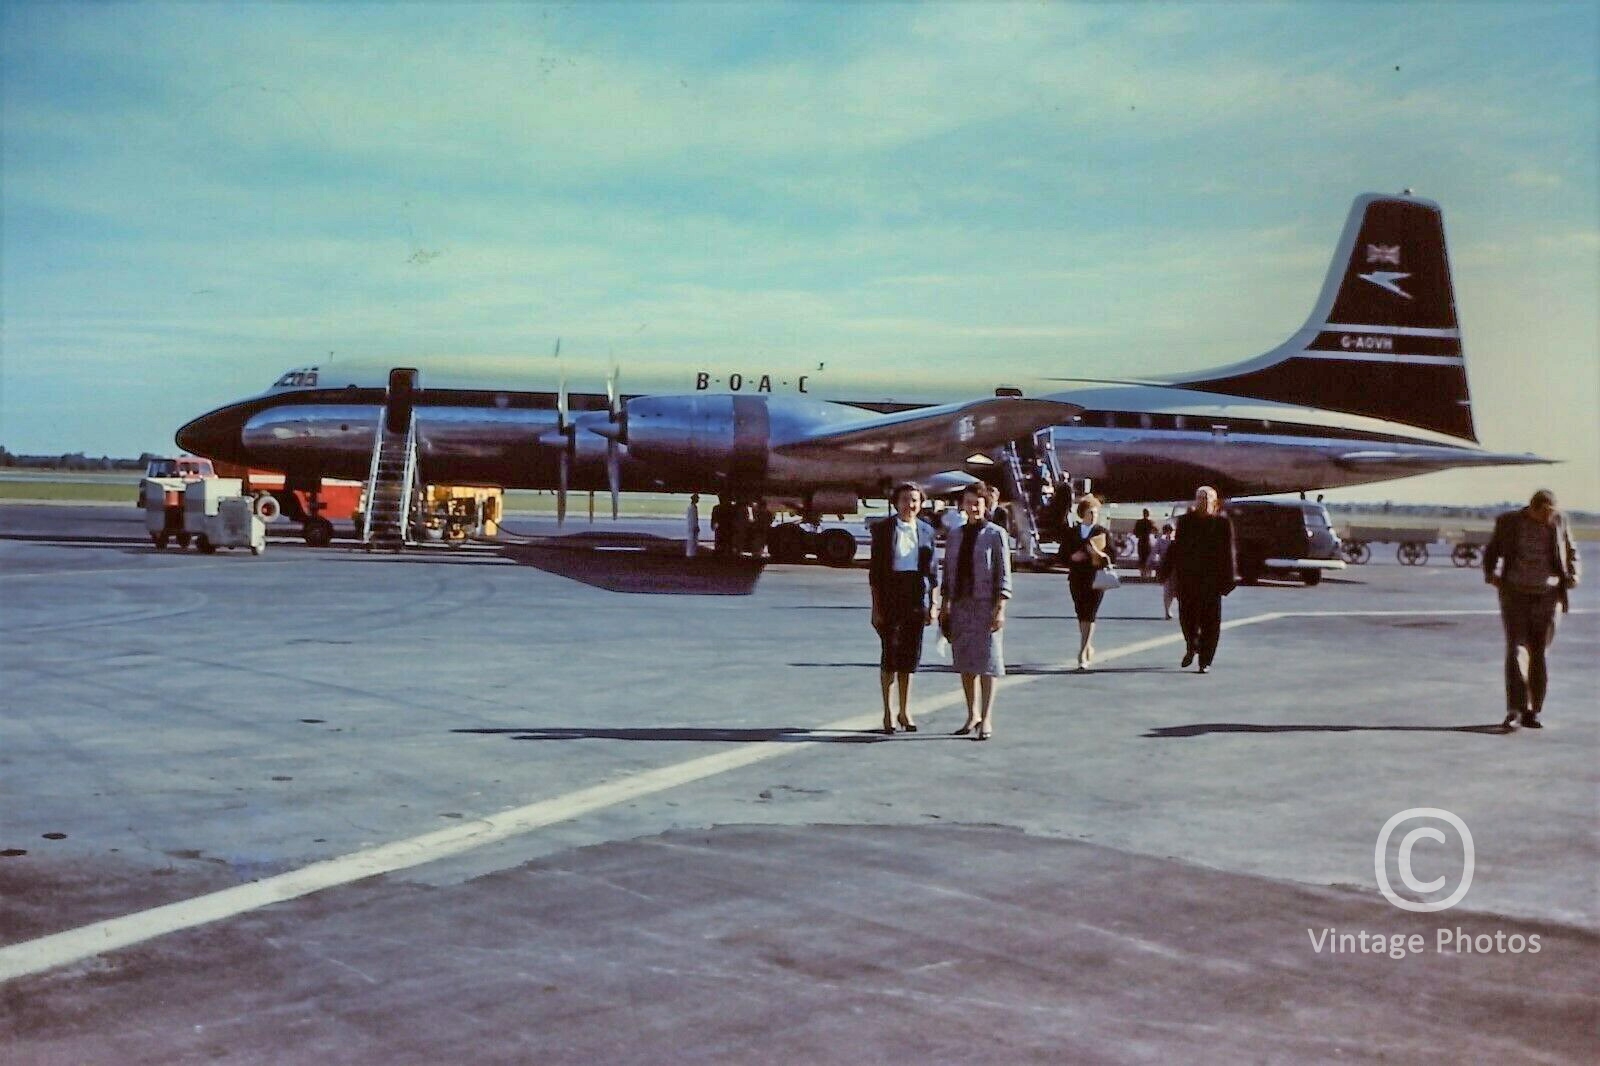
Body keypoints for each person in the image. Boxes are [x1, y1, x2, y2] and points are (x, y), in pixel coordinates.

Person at [1483, 489, 1580, 729]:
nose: (1550, 518)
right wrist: (1490, 574)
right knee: (1516, 649)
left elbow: (1571, 550)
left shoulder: (1560, 520)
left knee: (1539, 653)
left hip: (1548, 596)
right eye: (1545, 513)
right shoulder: (1509, 522)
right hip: (1515, 593)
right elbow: (1492, 550)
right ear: (1533, 508)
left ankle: (1533, 711)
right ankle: (1515, 709)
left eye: (1553, 512)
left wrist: (1574, 574)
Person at [939, 484, 1012, 740]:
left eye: (978, 502)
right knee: (965, 662)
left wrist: (1000, 608)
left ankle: (987, 716)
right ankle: (972, 714)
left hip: (985, 605)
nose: (973, 507)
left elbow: (1004, 574)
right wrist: (944, 605)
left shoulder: (996, 534)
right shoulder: (955, 535)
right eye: (969, 502)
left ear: (986, 505)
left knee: (988, 662)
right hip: (960, 604)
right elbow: (947, 572)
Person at [869, 483, 940, 734]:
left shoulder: (927, 531)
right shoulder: (883, 530)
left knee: (910, 657)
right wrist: (876, 608)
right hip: (890, 594)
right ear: (896, 502)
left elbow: (933, 572)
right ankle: (887, 711)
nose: (910, 505)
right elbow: (875, 574)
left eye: (915, 501)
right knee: (890, 654)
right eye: (905, 500)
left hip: (915, 595)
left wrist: (933, 604)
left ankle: (905, 710)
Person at [1166, 486, 1235, 673]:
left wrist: (1229, 580)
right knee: (1187, 618)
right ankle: (1192, 645)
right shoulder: (1185, 522)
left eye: (1206, 498)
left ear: (1214, 502)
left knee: (1210, 623)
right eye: (1199, 498)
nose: (1202, 501)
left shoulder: (1222, 524)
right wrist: (1166, 570)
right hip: (1188, 579)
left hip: (1212, 581)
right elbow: (1176, 549)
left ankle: (1205, 661)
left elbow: (1229, 553)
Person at [1059, 493, 1113, 670]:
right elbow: (1062, 554)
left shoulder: (1102, 533)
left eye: (1096, 512)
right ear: (1083, 513)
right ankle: (1087, 643)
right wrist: (1072, 557)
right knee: (1081, 612)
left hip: (1095, 577)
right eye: (1090, 512)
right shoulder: (1071, 532)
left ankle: (1082, 651)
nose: (1094, 515)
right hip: (1077, 577)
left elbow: (1113, 554)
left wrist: (1099, 555)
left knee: (1090, 613)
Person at [1152, 523, 1176, 620]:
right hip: (1173, 568)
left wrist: (1150, 563)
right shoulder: (1175, 540)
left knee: (1167, 590)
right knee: (1172, 590)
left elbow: (1154, 553)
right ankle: (1168, 610)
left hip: (1165, 567)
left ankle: (1167, 611)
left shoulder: (1160, 541)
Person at [1134, 508, 1158, 580]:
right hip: (1148, 542)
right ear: (1148, 514)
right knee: (1148, 558)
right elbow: (1156, 531)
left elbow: (1135, 533)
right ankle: (1148, 575)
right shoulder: (1150, 522)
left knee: (1141, 558)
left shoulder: (1139, 522)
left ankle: (1142, 574)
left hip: (1141, 542)